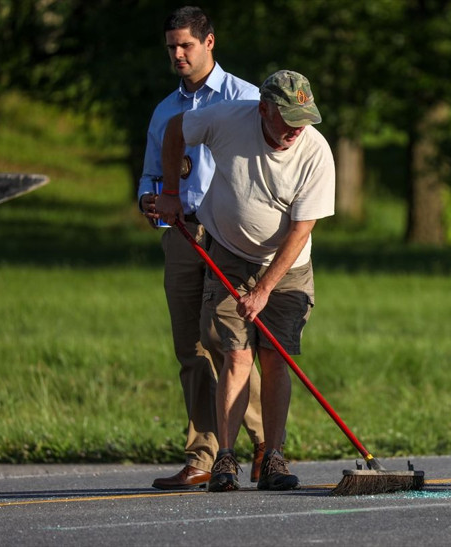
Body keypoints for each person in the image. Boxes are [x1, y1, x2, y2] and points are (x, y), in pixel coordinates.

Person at [156, 69, 335, 492]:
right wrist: (169, 191)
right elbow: (175, 127)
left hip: (287, 268)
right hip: (229, 256)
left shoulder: (316, 152)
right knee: (235, 355)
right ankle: (225, 459)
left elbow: (300, 230)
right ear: (263, 109)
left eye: (303, 118)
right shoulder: (229, 119)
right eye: (287, 118)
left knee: (274, 358)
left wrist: (262, 291)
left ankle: (273, 456)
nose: (296, 129)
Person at [137, 6, 267, 490]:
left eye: (186, 45)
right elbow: (151, 172)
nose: (177, 54)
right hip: (183, 235)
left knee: (231, 344)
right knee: (190, 347)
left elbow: (264, 166)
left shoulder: (246, 98)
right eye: (171, 46)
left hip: (229, 238)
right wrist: (149, 199)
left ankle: (262, 446)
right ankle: (202, 455)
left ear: (209, 43)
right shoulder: (165, 110)